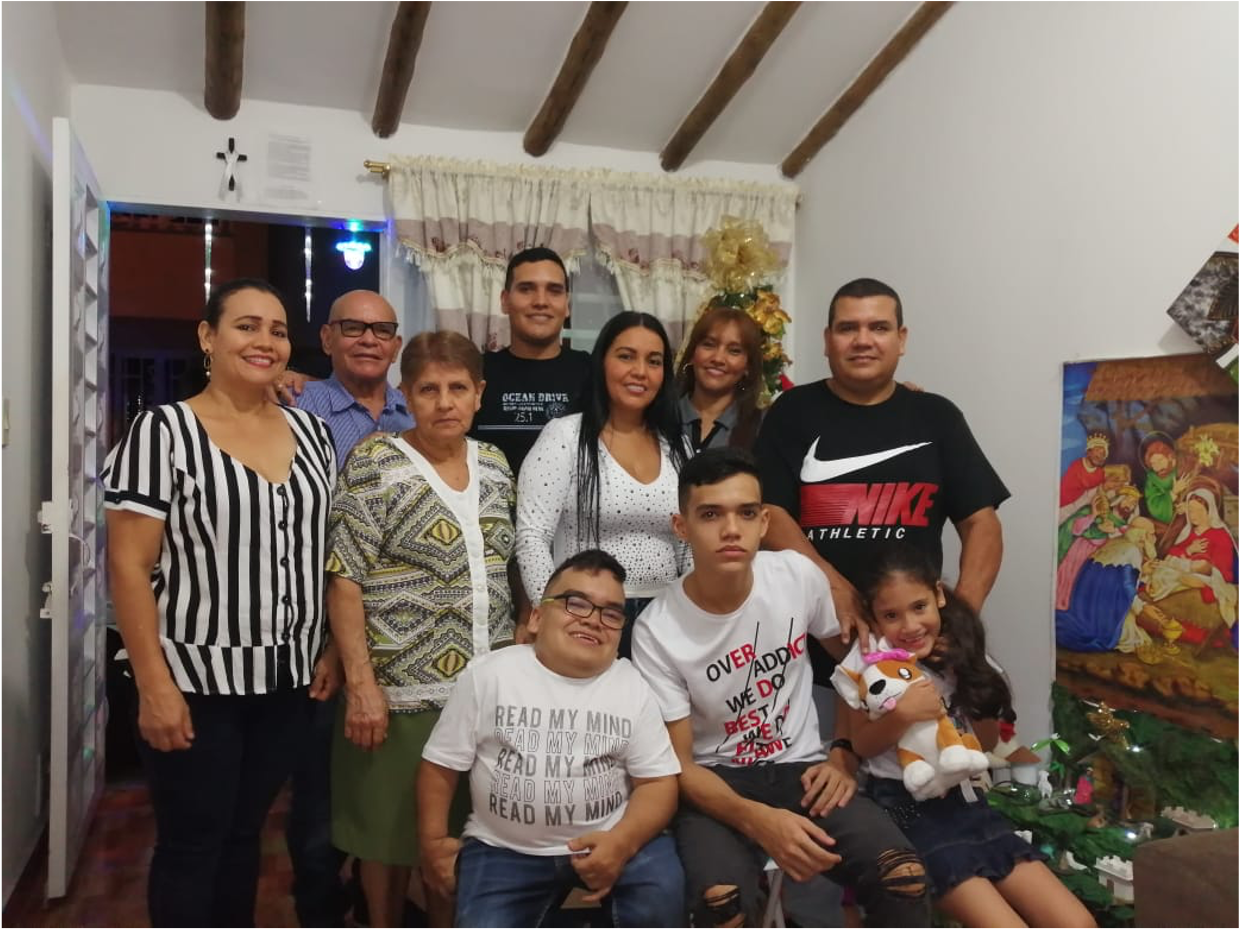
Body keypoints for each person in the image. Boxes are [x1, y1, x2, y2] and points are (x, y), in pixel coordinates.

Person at [102, 278, 337, 929]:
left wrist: (328, 647)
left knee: (244, 836)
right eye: (247, 325)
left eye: (278, 330)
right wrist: (154, 687)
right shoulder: (162, 432)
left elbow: (324, 551)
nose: (265, 340)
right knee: (191, 845)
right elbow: (128, 566)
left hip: (285, 685)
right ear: (208, 336)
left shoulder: (313, 433)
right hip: (193, 684)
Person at [633, 448, 932, 929]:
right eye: (711, 514)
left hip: (803, 771)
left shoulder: (796, 575)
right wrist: (759, 821)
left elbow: (858, 667)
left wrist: (844, 753)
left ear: (764, 522)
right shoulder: (657, 629)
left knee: (903, 877)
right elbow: (680, 766)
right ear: (681, 526)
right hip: (716, 783)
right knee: (722, 904)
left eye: (746, 513)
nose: (731, 529)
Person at [326, 331, 517, 929]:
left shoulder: (494, 465)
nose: (444, 402)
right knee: (386, 838)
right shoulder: (375, 464)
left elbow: (507, 563)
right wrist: (361, 684)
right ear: (405, 395)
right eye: (428, 389)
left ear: (479, 393)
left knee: (457, 842)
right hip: (398, 695)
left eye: (458, 388)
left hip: (483, 692)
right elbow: (344, 577)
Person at [754, 277, 1009, 685]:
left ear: (901, 339)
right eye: (847, 328)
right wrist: (831, 585)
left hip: (919, 659)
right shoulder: (792, 412)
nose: (863, 340)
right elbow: (769, 514)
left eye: (878, 327)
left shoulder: (936, 417)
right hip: (809, 659)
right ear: (827, 340)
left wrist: (961, 617)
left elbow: (982, 523)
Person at [417, 549, 684, 928]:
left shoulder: (632, 686)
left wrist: (622, 842)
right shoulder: (489, 676)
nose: (593, 620)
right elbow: (440, 765)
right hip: (504, 849)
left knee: (660, 899)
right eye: (576, 603)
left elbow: (658, 783)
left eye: (611, 614)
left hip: (614, 835)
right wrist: (432, 843)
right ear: (537, 617)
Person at [834, 544, 1094, 929]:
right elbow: (862, 746)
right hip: (905, 809)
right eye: (891, 615)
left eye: (919, 607)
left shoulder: (959, 646)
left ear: (938, 595)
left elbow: (986, 742)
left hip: (967, 802)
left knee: (1077, 922)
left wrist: (967, 670)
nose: (910, 626)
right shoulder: (869, 661)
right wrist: (904, 714)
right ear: (873, 617)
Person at [277, 289, 414, 929]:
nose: (368, 339)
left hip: (404, 637)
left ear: (396, 343)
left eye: (381, 330)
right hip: (317, 632)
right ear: (327, 338)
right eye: (353, 327)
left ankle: (378, 907)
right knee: (320, 802)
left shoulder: (420, 411)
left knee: (390, 793)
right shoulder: (294, 408)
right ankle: (321, 911)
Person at [517, 311, 689, 656]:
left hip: (668, 619)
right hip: (587, 619)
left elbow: (689, 545)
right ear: (602, 363)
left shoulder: (678, 447)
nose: (640, 371)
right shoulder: (565, 437)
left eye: (654, 361)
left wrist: (695, 612)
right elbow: (532, 537)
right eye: (626, 356)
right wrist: (554, 612)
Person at [472, 247, 591, 477]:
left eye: (554, 291)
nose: (540, 301)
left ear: (567, 304)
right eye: (526, 289)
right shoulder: (474, 372)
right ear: (505, 301)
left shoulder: (594, 373)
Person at [676, 303, 766, 452]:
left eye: (734, 351)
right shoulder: (660, 417)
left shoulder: (762, 427)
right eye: (709, 345)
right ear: (692, 354)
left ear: (748, 366)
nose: (718, 358)